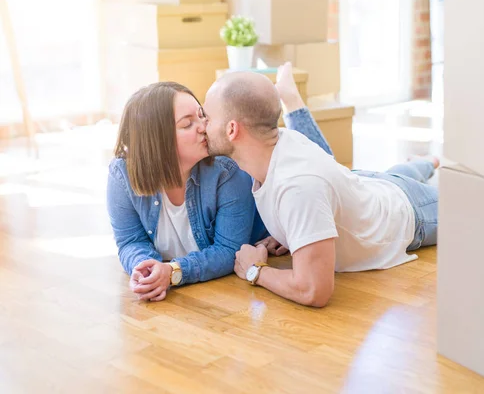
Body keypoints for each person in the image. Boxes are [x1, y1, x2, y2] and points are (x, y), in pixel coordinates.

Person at [201, 62, 439, 307]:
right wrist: (289, 229)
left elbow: (314, 290)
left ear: (232, 129)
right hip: (365, 184)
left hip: (408, 211)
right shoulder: (270, 148)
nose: (201, 126)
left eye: (207, 118)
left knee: (473, 205)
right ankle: (426, 162)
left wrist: (256, 270)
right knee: (396, 173)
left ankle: (426, 164)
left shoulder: (299, 187)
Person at [106, 79, 332, 301]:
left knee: (326, 168)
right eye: (187, 124)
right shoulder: (122, 175)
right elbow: (130, 241)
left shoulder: (226, 169)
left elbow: (227, 250)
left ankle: (293, 106)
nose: (204, 127)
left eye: (202, 115)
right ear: (156, 140)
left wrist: (173, 272)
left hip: (338, 192)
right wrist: (146, 269)